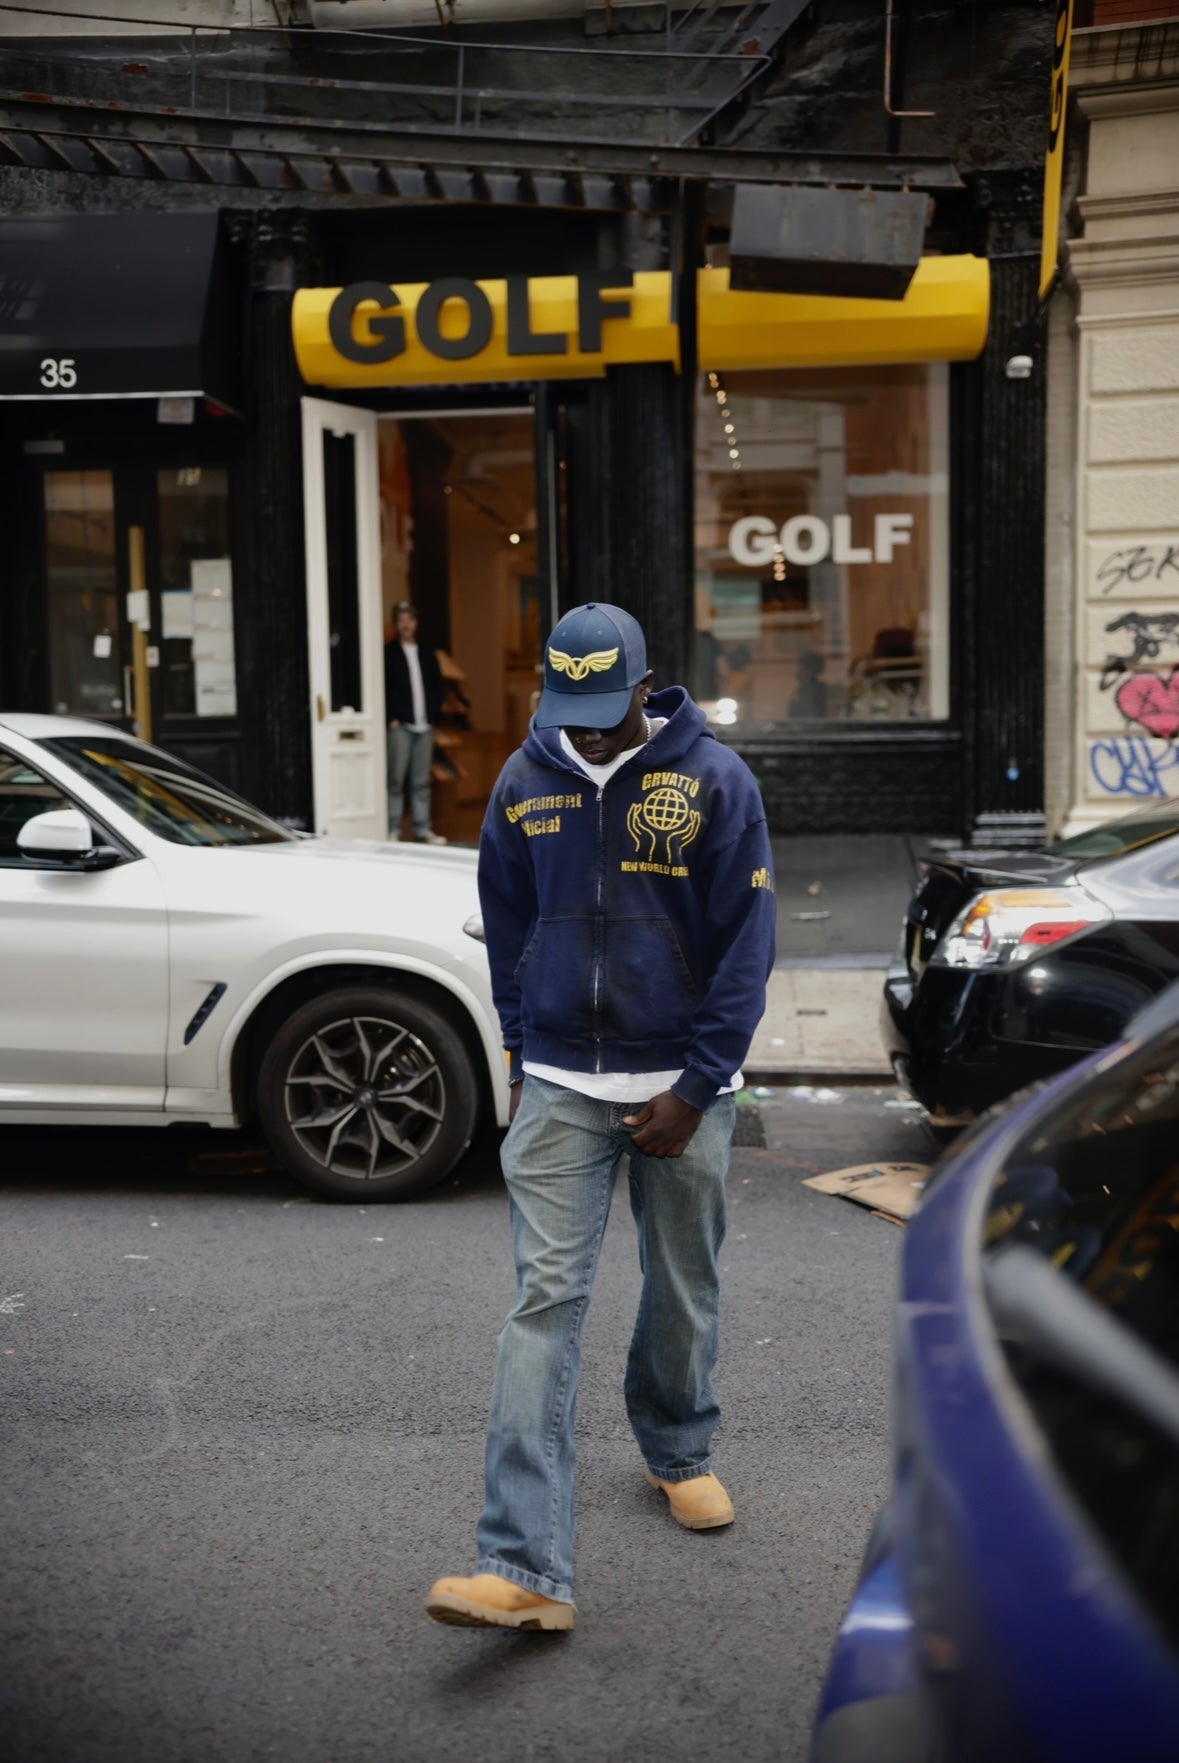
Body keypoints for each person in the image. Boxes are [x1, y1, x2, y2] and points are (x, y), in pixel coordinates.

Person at [426, 601, 776, 1632]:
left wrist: (700, 1085)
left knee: (681, 1283)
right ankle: (522, 1563)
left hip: (680, 1080)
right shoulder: (525, 779)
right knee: (543, 1301)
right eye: (567, 705)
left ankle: (678, 1448)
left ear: (645, 682)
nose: (585, 728)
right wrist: (519, 1048)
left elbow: (744, 949)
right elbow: (508, 922)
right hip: (562, 1084)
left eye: (604, 705)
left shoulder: (716, 780)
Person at [383, 600, 447, 844]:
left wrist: (432, 716)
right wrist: (391, 718)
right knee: (396, 780)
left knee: (421, 781)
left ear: (416, 623)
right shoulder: (388, 653)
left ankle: (422, 828)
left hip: (425, 726)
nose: (406, 625)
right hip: (401, 727)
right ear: (396, 625)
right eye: (401, 621)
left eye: (409, 620)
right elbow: (383, 688)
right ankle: (393, 828)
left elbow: (436, 688)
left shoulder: (427, 653)